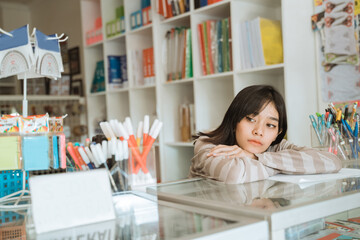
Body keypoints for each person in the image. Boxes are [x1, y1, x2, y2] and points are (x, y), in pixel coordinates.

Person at [189, 85, 341, 184]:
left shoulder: (273, 146)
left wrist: (255, 157)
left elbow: (332, 161)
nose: (259, 131)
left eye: (270, 125)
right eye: (251, 119)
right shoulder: (207, 144)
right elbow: (234, 174)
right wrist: (286, 166)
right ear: (235, 120)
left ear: (278, 133)